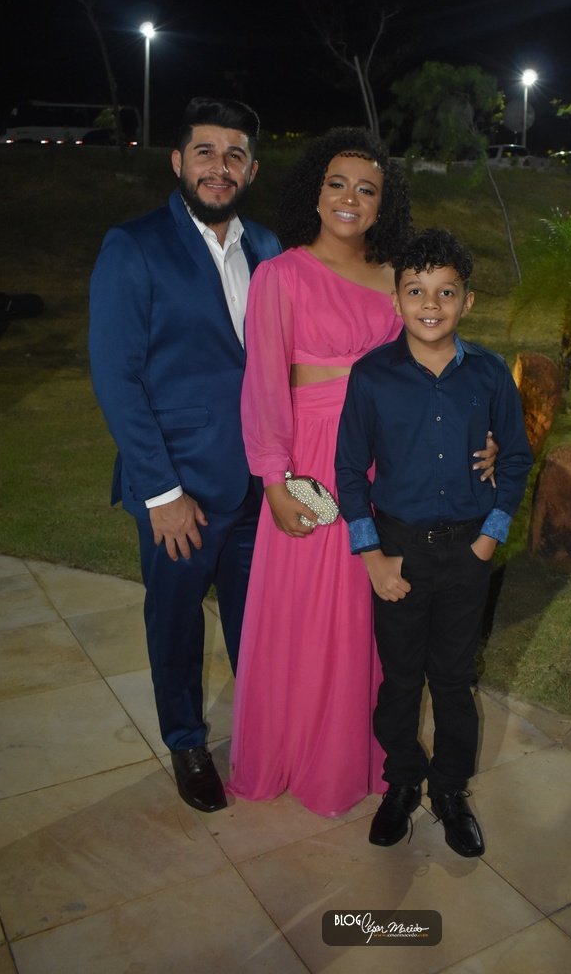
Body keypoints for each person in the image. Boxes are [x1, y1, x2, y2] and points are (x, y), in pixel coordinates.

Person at [227, 130, 498, 817]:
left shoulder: (397, 277)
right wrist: (273, 479)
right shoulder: (281, 275)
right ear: (315, 192)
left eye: (367, 188)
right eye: (337, 183)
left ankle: (379, 760)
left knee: (378, 617)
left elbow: (444, 362)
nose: (350, 198)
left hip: (395, 463)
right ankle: (310, 758)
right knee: (310, 618)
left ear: (384, 204)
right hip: (315, 462)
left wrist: (484, 438)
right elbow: (263, 385)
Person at [89, 97, 281, 813]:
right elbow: (117, 377)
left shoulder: (269, 248)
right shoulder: (133, 246)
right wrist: (161, 493)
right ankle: (186, 741)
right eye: (204, 152)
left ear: (252, 169)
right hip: (182, 489)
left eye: (234, 155)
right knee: (175, 622)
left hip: (258, 486)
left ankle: (262, 732)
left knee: (258, 622)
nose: (219, 167)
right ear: (177, 161)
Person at [335, 228, 533, 857]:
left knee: (452, 680)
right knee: (399, 680)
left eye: (446, 292)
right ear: (395, 298)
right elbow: (348, 471)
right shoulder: (372, 376)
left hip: (467, 552)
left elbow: (517, 457)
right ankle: (401, 782)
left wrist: (489, 539)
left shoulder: (491, 374)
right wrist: (373, 556)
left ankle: (450, 790)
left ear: (467, 301)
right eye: (416, 290)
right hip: (399, 550)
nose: (430, 304)